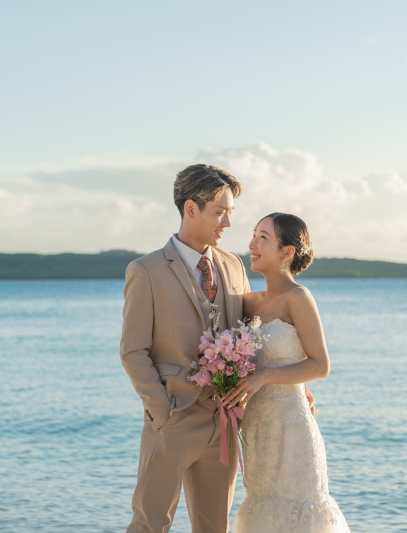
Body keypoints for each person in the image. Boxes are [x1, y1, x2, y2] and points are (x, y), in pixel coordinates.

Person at [120, 164, 250, 532]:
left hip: (223, 423)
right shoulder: (146, 270)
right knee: (149, 525)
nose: (227, 222)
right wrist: (162, 413)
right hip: (173, 418)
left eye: (230, 212)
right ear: (191, 208)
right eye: (220, 212)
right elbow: (133, 351)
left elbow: (250, 334)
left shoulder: (233, 265)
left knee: (214, 528)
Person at [222, 212, 351, 533]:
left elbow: (320, 364)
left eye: (263, 238)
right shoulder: (247, 303)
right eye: (254, 235)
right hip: (257, 431)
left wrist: (265, 375)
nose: (252, 244)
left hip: (292, 430)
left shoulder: (299, 297)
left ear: (287, 252)